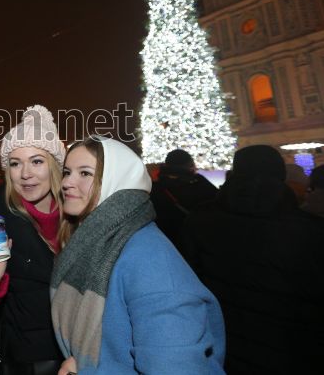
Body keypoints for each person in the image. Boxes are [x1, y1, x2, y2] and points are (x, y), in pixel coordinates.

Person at [51, 137, 225, 375]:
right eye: (67, 172)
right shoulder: (96, 243)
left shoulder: (150, 262)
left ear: (117, 180)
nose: (67, 183)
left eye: (85, 173)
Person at [183, 145, 324, 374]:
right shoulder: (310, 230)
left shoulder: (199, 221)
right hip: (294, 350)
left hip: (225, 349)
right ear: (280, 175)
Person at [0, 105, 65, 375]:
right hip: (26, 359)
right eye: (15, 163)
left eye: (36, 161)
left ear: (55, 166)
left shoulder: (82, 217)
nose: (25, 174)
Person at [149, 149, 218, 247]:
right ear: (189, 164)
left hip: (166, 241)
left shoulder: (156, 187)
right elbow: (215, 205)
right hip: (197, 240)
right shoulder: (199, 183)